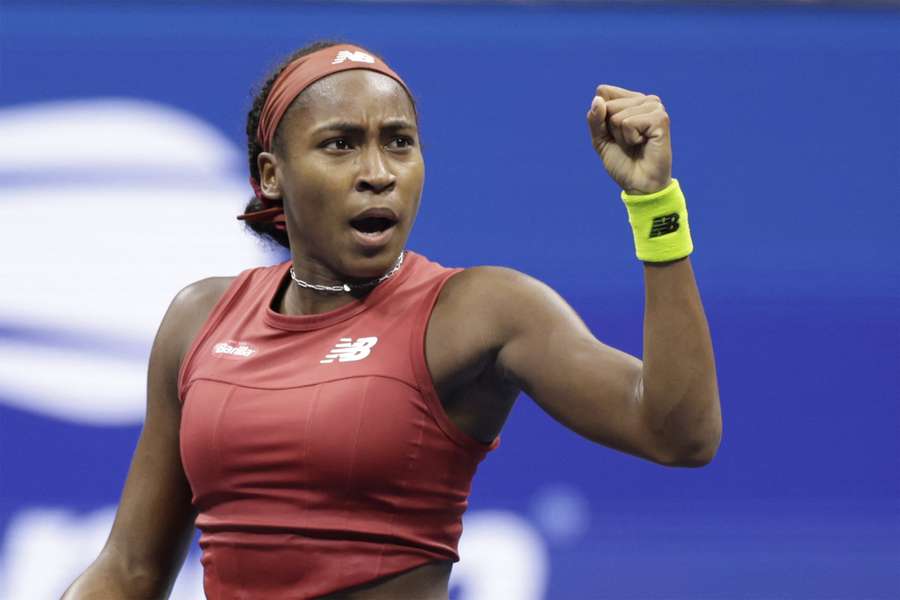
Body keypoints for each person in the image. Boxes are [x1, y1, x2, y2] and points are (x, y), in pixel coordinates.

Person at [61, 40, 721, 600]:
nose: (377, 173)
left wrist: (655, 207)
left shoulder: (480, 312)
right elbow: (130, 569)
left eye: (398, 143)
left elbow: (678, 433)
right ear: (271, 176)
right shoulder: (198, 318)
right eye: (340, 144)